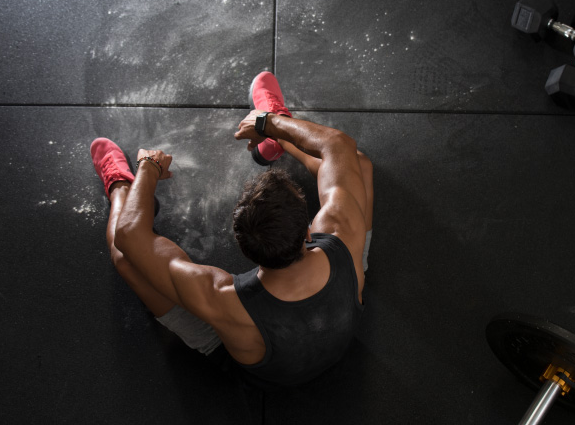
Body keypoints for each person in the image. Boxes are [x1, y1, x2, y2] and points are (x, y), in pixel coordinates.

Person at [89, 71, 373, 386]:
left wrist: (149, 168)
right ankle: (277, 133)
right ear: (308, 231)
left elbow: (130, 236)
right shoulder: (342, 232)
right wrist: (268, 122)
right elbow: (337, 144)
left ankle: (121, 188)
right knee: (355, 165)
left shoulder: (220, 297)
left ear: (245, 246)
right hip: (340, 326)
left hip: (242, 341)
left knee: (123, 254)